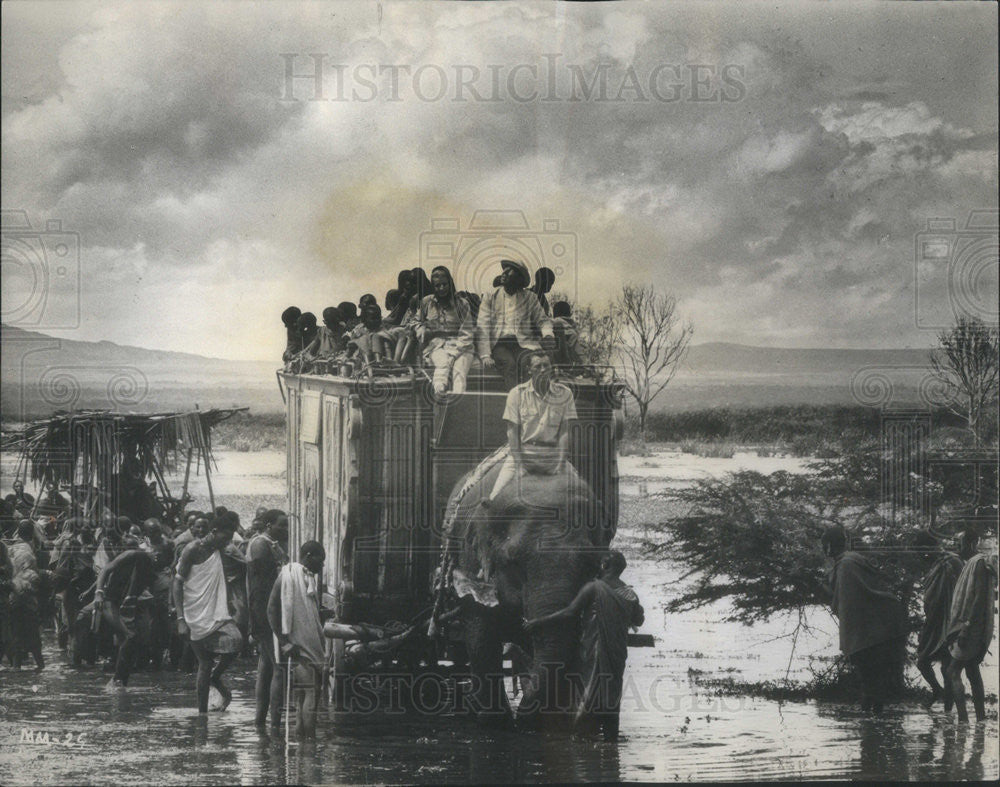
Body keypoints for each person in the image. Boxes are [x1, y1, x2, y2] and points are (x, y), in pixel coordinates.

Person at [524, 550, 644, 741]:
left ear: (605, 566)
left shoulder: (593, 588)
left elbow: (570, 612)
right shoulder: (629, 594)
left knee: (588, 690)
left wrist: (538, 621)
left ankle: (581, 736)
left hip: (594, 650)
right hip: (616, 653)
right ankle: (611, 742)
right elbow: (639, 620)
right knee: (611, 692)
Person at [822, 525, 906, 714]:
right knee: (873, 677)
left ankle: (870, 726)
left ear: (829, 546)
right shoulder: (852, 560)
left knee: (869, 678)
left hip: (865, 631)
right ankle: (874, 729)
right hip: (879, 626)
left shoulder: (845, 564)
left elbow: (846, 601)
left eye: (824, 544)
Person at [485, 352, 577, 507]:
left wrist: (560, 463)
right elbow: (512, 432)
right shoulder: (516, 394)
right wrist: (519, 465)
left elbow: (565, 432)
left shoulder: (565, 394)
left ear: (551, 368)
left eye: (546, 366)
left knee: (581, 495)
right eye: (537, 366)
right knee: (494, 499)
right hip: (524, 453)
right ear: (529, 370)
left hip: (552, 455)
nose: (542, 370)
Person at [173, 515, 244, 713]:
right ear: (213, 532)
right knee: (204, 662)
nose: (227, 541)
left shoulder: (220, 549)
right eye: (225, 537)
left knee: (237, 641)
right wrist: (180, 619)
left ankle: (215, 678)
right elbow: (177, 582)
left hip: (216, 610)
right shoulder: (192, 549)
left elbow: (243, 563)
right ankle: (202, 714)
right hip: (193, 611)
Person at [267, 540, 328, 738]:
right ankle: (310, 743)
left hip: (308, 644)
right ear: (309, 556)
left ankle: (304, 745)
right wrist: (284, 642)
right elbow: (271, 610)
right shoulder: (287, 574)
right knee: (311, 692)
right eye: (321, 559)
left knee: (304, 693)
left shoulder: (307, 578)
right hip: (298, 646)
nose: (323, 565)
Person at [476, 259, 556, 389]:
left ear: (519, 278)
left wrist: (547, 334)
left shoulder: (530, 297)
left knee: (529, 363)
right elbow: (483, 325)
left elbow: (543, 320)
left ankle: (530, 402)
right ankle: (514, 403)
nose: (504, 273)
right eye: (504, 270)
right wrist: (485, 355)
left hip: (523, 344)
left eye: (509, 271)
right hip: (499, 344)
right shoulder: (490, 296)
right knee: (509, 365)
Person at [945, 529, 997, 723]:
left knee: (952, 671)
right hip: (973, 625)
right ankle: (981, 718)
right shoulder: (974, 563)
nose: (958, 547)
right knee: (972, 670)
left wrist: (966, 627)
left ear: (972, 543)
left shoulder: (979, 564)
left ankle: (964, 719)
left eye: (960, 543)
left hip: (972, 627)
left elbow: (978, 599)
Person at [93, 545, 163, 686]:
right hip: (109, 602)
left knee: (132, 640)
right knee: (130, 636)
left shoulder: (151, 569)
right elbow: (106, 570)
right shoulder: (133, 554)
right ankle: (117, 680)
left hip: (125, 604)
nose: (157, 556)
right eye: (156, 553)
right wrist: (98, 593)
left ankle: (120, 682)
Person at [247, 509, 289, 727]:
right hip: (266, 612)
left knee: (266, 666)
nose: (286, 529)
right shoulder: (260, 545)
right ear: (268, 525)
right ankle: (275, 724)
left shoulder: (270, 544)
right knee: (279, 667)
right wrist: (262, 619)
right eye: (281, 525)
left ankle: (260, 721)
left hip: (266, 611)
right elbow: (261, 587)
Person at [913, 530, 964, 708]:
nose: (921, 556)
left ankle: (948, 711)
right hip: (934, 622)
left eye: (922, 551)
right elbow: (931, 597)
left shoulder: (952, 562)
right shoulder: (935, 564)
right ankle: (938, 691)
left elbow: (962, 592)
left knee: (947, 668)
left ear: (929, 547)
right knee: (922, 661)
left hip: (951, 622)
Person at [416, 265, 476, 394]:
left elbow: (467, 333)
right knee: (442, 364)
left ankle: (458, 405)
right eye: (437, 286)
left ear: (450, 283)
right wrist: (420, 329)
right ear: (433, 286)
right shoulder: (427, 302)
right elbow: (414, 321)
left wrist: (454, 355)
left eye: (444, 284)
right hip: (436, 346)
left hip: (461, 347)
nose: (442, 288)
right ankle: (440, 396)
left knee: (459, 372)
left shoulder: (462, 304)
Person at [551, 301, 582, 366]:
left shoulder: (551, 323)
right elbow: (579, 352)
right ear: (569, 313)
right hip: (568, 362)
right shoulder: (573, 328)